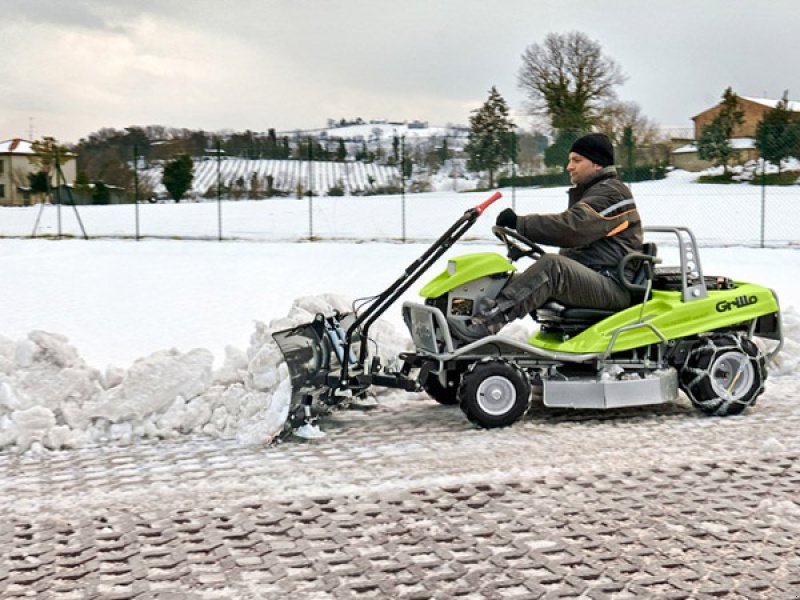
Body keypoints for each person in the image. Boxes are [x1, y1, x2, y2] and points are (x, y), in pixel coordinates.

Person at [458, 132, 643, 339]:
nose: (569, 167)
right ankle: (454, 323)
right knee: (505, 281)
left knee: (553, 268)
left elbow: (574, 228)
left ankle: (483, 324)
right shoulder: (594, 192)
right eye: (570, 160)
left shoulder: (612, 194)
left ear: (597, 163)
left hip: (611, 284)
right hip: (593, 276)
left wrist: (521, 223)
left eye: (576, 160)